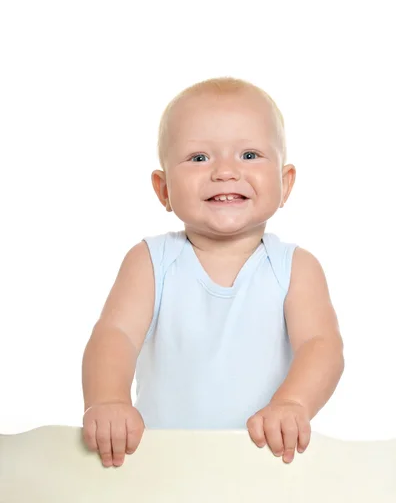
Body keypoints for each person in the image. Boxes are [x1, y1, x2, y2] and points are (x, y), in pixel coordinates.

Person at [81, 76, 345, 469]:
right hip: (159, 465)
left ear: (285, 183)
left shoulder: (294, 269)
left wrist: (293, 403)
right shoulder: (151, 262)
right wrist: (108, 400)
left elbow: (321, 346)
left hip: (263, 464)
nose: (225, 172)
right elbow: (114, 335)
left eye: (250, 155)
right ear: (164, 189)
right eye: (200, 157)